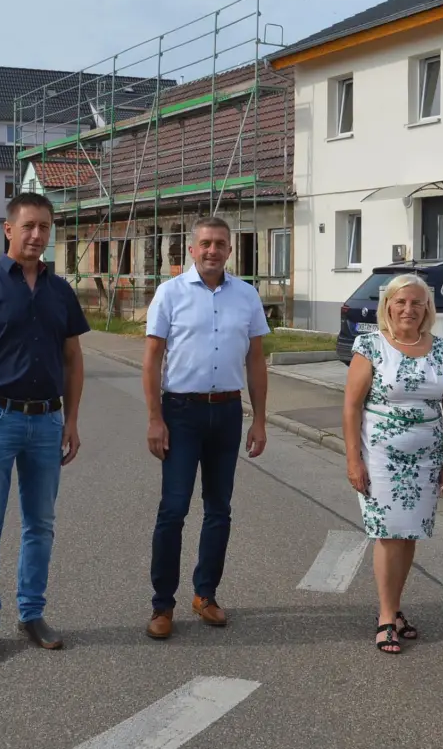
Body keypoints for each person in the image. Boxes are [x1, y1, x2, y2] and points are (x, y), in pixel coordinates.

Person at [0, 192, 90, 663]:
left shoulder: (60, 291)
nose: (37, 235)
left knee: (40, 525)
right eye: (28, 226)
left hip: (46, 421)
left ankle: (32, 613)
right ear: (8, 229)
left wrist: (71, 420)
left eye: (44, 227)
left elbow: (73, 359)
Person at [142, 217, 271, 639]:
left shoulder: (247, 295)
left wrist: (260, 419)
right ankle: (163, 605)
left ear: (229, 251)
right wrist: (154, 418)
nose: (212, 250)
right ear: (192, 249)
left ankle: (206, 595)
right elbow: (152, 359)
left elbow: (255, 359)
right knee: (174, 509)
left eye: (220, 244)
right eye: (205, 243)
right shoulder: (170, 293)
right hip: (180, 412)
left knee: (219, 509)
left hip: (227, 412)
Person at [342, 273, 443, 655]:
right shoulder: (371, 346)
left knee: (409, 534)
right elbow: (351, 405)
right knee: (389, 532)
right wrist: (352, 459)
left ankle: (394, 609)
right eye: (400, 302)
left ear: (427, 308)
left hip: (427, 458)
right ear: (388, 306)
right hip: (381, 456)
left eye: (416, 302)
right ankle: (385, 617)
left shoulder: (442, 350)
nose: (408, 309)